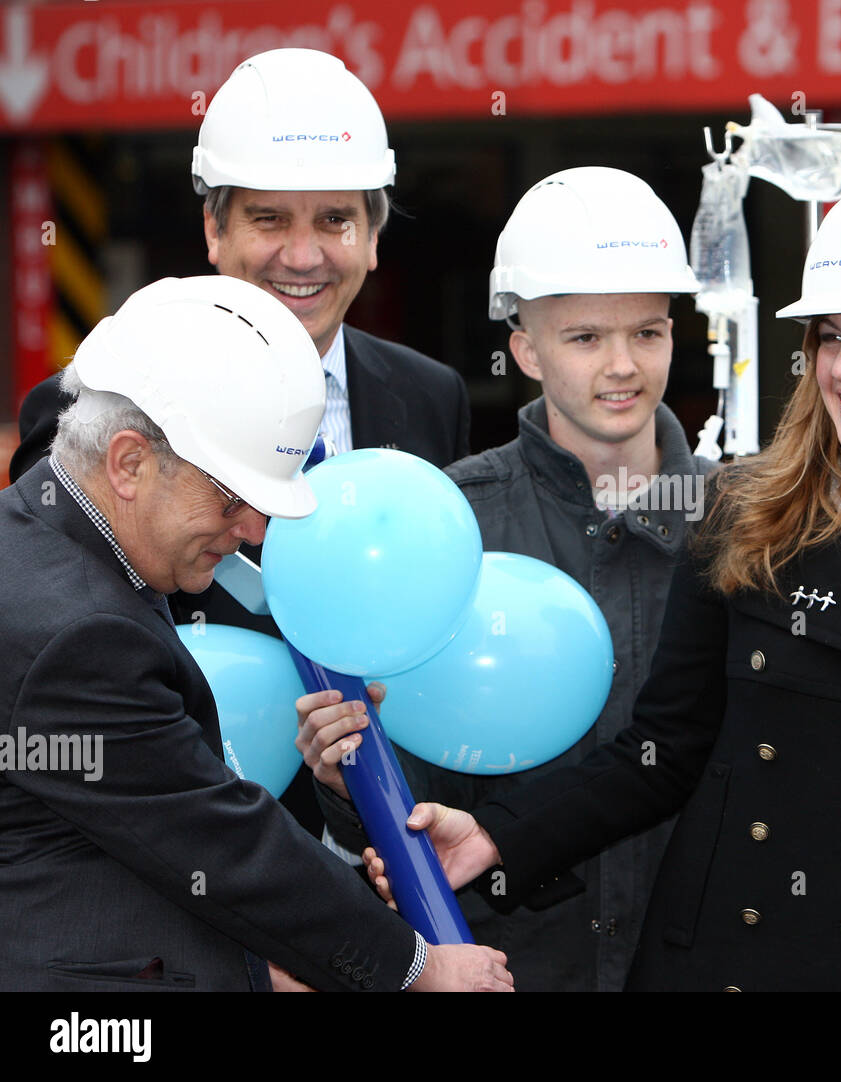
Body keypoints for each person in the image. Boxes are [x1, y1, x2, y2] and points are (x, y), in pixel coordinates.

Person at [357, 178, 841, 991]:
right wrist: (497, 839)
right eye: (829, 337)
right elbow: (659, 755)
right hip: (722, 963)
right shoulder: (746, 517)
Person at [0, 275, 510, 992]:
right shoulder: (79, 637)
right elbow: (223, 842)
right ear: (128, 463)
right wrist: (416, 968)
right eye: (232, 496)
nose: (254, 531)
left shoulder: (40, 543)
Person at [8, 48, 471, 834]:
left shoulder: (430, 396)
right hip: (186, 851)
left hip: (385, 835)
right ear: (213, 231)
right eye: (268, 218)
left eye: (335, 219)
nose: (303, 255)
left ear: (374, 238)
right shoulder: (87, 405)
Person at [299, 167, 715, 991]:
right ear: (524, 347)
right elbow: (405, 791)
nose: (622, 365)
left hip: (701, 958)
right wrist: (343, 779)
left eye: (648, 332)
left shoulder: (745, 526)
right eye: (585, 337)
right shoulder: (449, 525)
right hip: (513, 964)